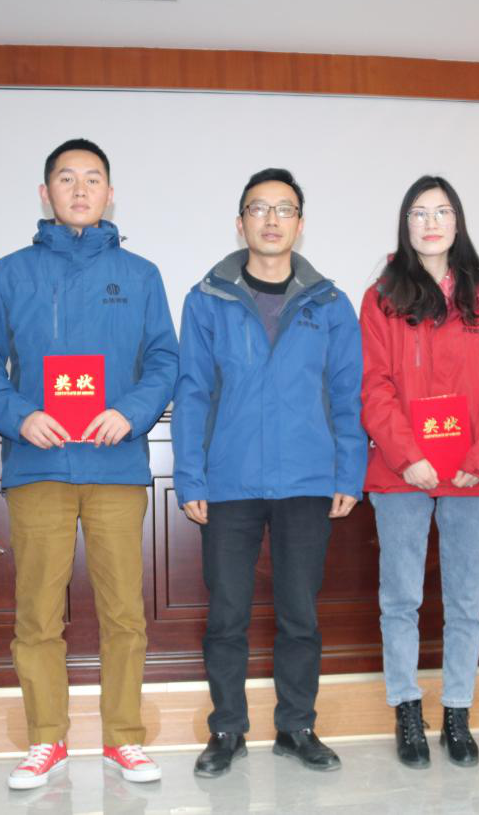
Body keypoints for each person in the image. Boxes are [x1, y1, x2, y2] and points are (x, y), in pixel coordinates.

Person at [0, 138, 178, 789]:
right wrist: (18, 414)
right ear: (44, 192)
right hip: (39, 463)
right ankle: (45, 739)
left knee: (124, 612)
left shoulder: (140, 275)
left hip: (115, 464)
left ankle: (123, 738)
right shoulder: (8, 273)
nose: (80, 190)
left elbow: (164, 360)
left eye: (92, 179)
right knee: (36, 613)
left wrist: (131, 412)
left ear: (110, 193)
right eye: (66, 178)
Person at [172, 168, 366, 777]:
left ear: (300, 225)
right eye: (259, 208)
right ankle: (226, 729)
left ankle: (296, 726)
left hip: (307, 481)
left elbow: (347, 394)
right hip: (229, 482)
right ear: (241, 223)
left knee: (299, 614)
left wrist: (349, 472)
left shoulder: (330, 304)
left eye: (284, 209)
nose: (272, 219)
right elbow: (193, 391)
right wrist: (190, 477)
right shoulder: (208, 299)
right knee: (226, 614)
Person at [359, 176, 479, 768]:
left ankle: (457, 710)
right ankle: (407, 708)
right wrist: (410, 456)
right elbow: (374, 386)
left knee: (465, 602)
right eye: (419, 213)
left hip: (474, 474)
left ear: (458, 223)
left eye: (442, 212)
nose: (431, 223)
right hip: (402, 470)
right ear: (405, 225)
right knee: (400, 599)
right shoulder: (381, 297)